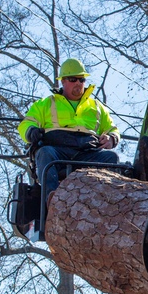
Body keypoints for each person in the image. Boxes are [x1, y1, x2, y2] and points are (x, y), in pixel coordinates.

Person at [18, 58, 123, 204]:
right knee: (44, 153)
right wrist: (30, 131)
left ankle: (108, 201)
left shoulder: (96, 106)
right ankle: (53, 200)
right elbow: (26, 123)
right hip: (58, 152)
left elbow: (112, 128)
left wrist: (111, 138)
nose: (79, 83)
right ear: (63, 81)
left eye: (82, 79)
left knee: (111, 158)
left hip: (87, 153)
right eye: (73, 79)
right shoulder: (46, 104)